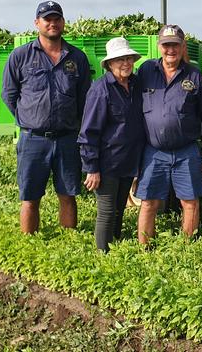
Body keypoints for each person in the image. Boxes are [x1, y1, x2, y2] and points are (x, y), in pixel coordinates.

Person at [2, 0, 92, 233]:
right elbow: (9, 94)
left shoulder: (77, 58)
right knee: (30, 196)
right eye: (47, 19)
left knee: (68, 194)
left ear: (63, 22)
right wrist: (30, 117)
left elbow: (84, 98)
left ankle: (68, 240)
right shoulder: (20, 56)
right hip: (33, 138)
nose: (52, 23)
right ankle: (29, 241)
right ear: (37, 23)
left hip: (67, 138)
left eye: (56, 19)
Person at [136, 25, 202, 244]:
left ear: (183, 46)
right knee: (149, 202)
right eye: (166, 45)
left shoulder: (195, 75)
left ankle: (186, 248)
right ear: (159, 46)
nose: (170, 50)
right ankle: (144, 249)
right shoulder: (145, 71)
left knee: (190, 202)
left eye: (175, 45)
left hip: (187, 151)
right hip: (154, 152)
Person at [77, 37, 145, 252]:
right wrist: (92, 168)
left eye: (128, 59)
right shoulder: (101, 90)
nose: (125, 63)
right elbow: (89, 131)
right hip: (106, 162)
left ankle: (115, 247)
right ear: (109, 64)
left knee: (119, 208)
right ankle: (103, 254)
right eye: (119, 60)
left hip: (127, 160)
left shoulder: (134, 86)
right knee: (106, 210)